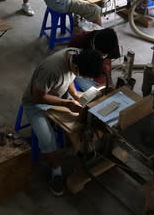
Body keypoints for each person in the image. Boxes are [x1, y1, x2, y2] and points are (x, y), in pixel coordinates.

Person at [20, 47, 104, 196]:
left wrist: (75, 95)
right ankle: (56, 171)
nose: (85, 78)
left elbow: (69, 76)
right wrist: (66, 104)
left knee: (81, 119)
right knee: (47, 139)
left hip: (58, 95)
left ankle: (82, 148)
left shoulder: (76, 55)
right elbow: (38, 96)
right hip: (35, 103)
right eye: (85, 76)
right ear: (77, 67)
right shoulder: (51, 69)